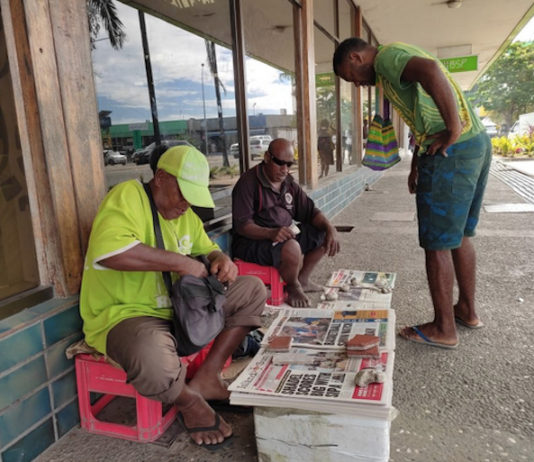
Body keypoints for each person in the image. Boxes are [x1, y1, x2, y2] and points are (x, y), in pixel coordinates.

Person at [80, 145, 266, 449]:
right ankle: (188, 401)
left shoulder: (185, 213)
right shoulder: (129, 195)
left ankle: (207, 378)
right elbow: (110, 252)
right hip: (129, 316)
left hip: (179, 310)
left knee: (252, 290)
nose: (186, 204)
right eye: (183, 193)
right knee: (151, 358)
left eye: (193, 196)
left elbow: (206, 247)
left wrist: (221, 258)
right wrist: (182, 263)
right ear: (162, 178)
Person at [334, 38, 491, 349]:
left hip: (452, 152)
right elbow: (425, 112)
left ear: (356, 57)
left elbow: (432, 71)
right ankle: (466, 311)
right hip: (475, 146)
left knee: (437, 243)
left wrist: (452, 129)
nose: (358, 84)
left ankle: (444, 328)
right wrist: (416, 164)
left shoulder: (386, 58)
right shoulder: (397, 58)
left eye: (352, 76)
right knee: (460, 235)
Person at [231, 138, 340, 308]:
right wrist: (269, 232)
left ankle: (302, 279)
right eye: (280, 163)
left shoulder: (288, 183)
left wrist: (330, 228)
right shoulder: (248, 183)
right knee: (292, 247)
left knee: (322, 231)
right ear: (267, 157)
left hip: (283, 236)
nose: (285, 169)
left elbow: (311, 212)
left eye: (289, 164)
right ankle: (293, 286)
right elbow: (242, 226)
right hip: (253, 241)